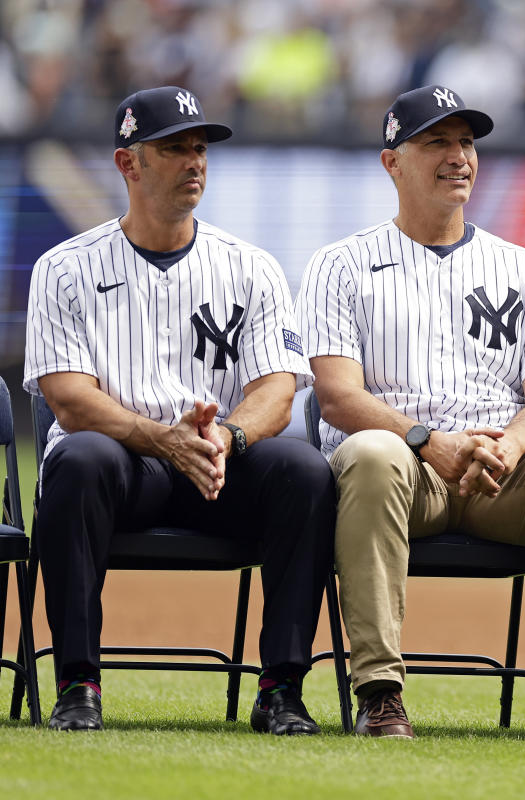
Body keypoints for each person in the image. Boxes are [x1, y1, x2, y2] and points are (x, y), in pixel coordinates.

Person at [295, 85, 525, 743]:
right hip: (403, 469)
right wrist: (429, 441)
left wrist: (510, 444)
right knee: (368, 451)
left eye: (467, 142)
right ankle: (380, 693)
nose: (458, 157)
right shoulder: (341, 265)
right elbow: (336, 396)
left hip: (506, 473)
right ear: (392, 163)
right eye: (436, 142)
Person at [23, 86, 336, 734]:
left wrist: (226, 438)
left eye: (200, 148)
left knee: (304, 470)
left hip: (217, 466)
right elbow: (68, 398)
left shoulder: (250, 265)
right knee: (77, 457)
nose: (194, 161)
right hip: (120, 466)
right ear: (127, 163)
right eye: (174, 148)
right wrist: (163, 439)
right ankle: (77, 684)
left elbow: (279, 388)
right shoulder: (64, 268)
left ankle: (282, 689)